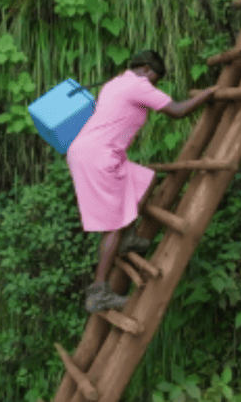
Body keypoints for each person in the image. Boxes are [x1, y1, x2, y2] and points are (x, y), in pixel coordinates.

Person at [66, 49, 217, 313]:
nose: (154, 85)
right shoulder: (138, 85)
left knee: (145, 178)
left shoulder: (117, 82)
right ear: (147, 70)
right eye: (155, 79)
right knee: (112, 225)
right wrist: (210, 92)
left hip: (94, 152)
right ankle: (99, 292)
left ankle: (127, 238)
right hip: (99, 156)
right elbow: (177, 110)